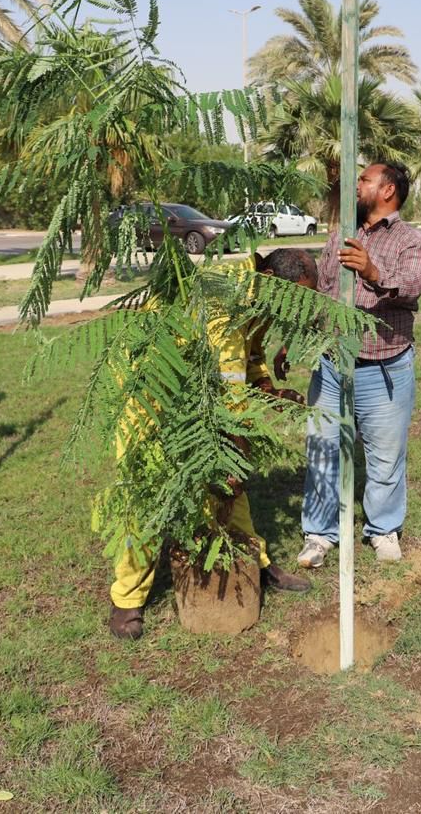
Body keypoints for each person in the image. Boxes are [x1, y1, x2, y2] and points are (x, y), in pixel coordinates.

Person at [108, 248, 318, 639]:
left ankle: (255, 561)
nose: (293, 308)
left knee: (226, 489)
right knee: (149, 494)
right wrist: (236, 452)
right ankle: (127, 599)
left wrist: (269, 389)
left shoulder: (260, 292)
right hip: (149, 393)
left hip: (199, 389)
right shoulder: (224, 297)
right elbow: (226, 398)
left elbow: (248, 355)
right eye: (293, 297)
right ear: (269, 275)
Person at [297, 162, 421, 567]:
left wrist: (372, 271)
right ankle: (319, 534)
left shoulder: (414, 243)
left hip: (384, 368)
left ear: (387, 190)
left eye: (364, 180)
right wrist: (300, 337)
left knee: (385, 455)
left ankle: (383, 529)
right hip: (331, 365)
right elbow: (323, 288)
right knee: (322, 449)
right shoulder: (342, 233)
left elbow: (411, 287)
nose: (355, 185)